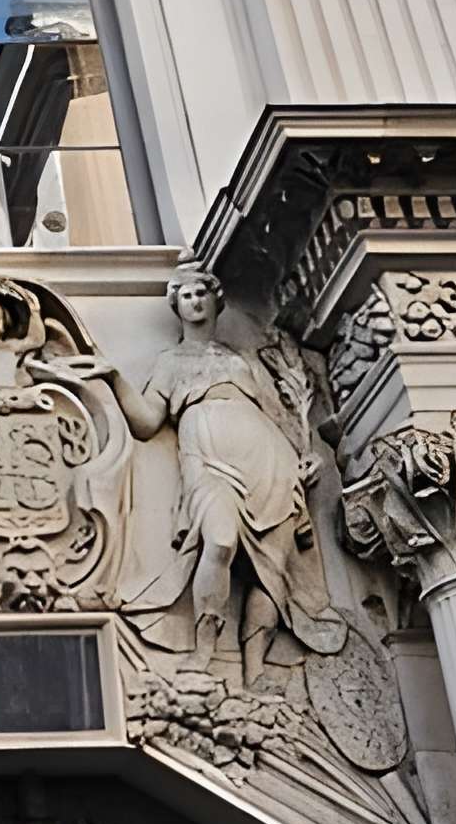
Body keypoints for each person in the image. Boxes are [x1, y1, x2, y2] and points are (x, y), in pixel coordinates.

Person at [97, 260, 347, 666]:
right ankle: (205, 651)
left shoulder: (242, 359)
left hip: (269, 461)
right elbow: (145, 423)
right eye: (187, 296)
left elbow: (280, 414)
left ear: (216, 302)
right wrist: (113, 377)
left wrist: (306, 454)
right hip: (209, 460)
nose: (195, 302)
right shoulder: (170, 362)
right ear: (176, 307)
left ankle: (254, 671)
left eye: (201, 294)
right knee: (220, 540)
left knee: (273, 569)